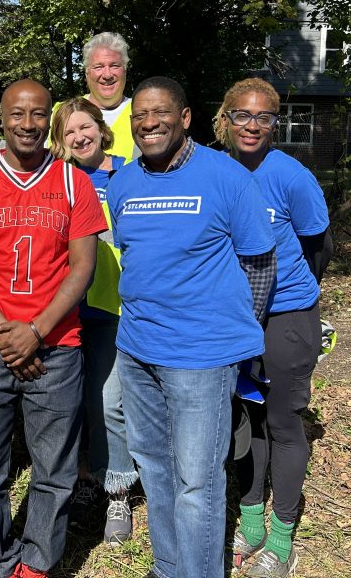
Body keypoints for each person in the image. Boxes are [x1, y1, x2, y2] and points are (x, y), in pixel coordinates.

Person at [105, 77, 276, 578]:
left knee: (196, 483)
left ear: (184, 119)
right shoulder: (125, 184)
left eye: (160, 113)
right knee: (155, 470)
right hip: (137, 350)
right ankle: (168, 566)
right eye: (139, 116)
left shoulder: (225, 177)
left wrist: (237, 332)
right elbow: (137, 257)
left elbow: (259, 263)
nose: (148, 123)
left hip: (202, 358)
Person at [0, 79, 108, 578]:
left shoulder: (74, 182)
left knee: (54, 469)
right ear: (2, 119)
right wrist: (6, 331)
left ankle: (37, 562)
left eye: (38, 115)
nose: (28, 124)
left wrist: (35, 330)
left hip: (57, 346)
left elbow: (82, 269)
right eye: (18, 114)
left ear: (48, 121)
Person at [215, 78, 332, 578]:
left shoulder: (291, 176)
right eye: (243, 115)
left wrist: (285, 297)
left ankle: (281, 537)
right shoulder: (212, 168)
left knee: (283, 423)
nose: (253, 125)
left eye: (265, 117)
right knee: (246, 421)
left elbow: (318, 246)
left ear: (275, 124)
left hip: (287, 317)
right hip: (232, 321)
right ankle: (251, 520)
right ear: (225, 117)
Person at [49, 98, 136, 544]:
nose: (80, 136)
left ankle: (118, 488)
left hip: (114, 306)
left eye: (85, 127)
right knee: (71, 403)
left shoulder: (131, 171)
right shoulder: (58, 177)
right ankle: (84, 479)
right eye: (69, 132)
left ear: (101, 129)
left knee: (108, 402)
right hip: (63, 310)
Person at [67, 32, 137, 159]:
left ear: (125, 69)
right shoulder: (63, 112)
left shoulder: (142, 112)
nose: (107, 75)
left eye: (114, 66)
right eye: (98, 67)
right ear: (87, 72)